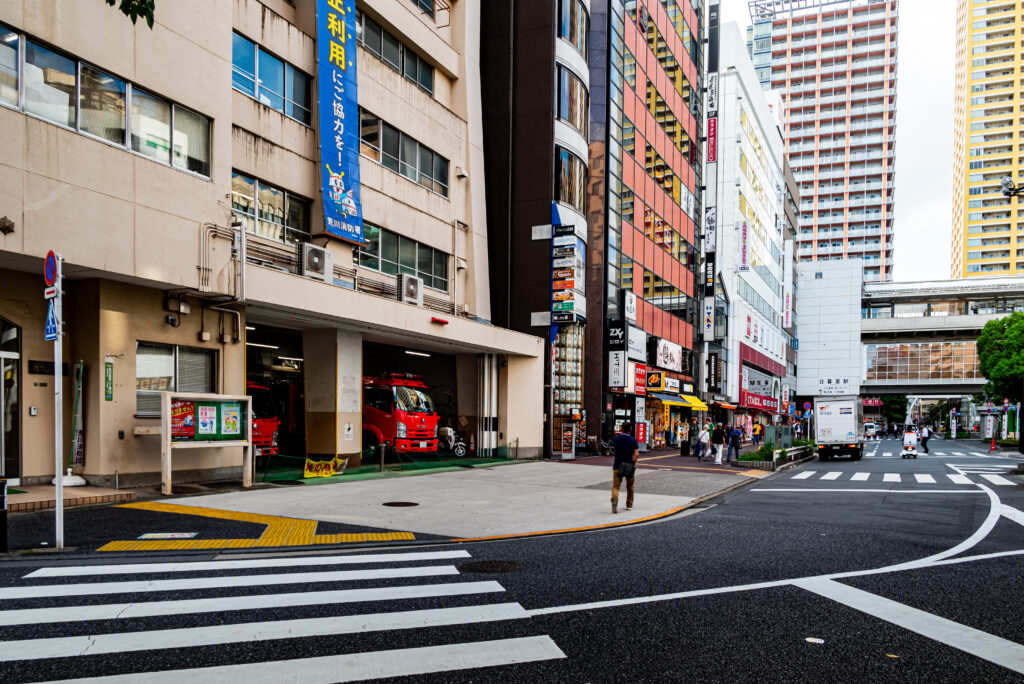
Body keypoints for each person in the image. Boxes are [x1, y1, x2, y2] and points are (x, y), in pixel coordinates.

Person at [611, 422, 639, 514]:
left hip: (617, 465)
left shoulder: (616, 439)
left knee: (616, 486)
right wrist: (634, 462)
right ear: (630, 429)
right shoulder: (633, 440)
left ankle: (615, 500)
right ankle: (629, 505)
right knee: (630, 486)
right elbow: (636, 454)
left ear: (621, 429)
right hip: (629, 465)